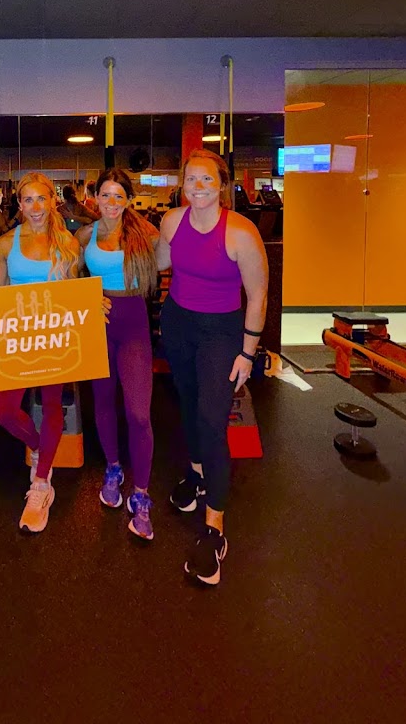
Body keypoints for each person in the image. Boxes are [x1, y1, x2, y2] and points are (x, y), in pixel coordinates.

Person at [157, 149, 268, 585]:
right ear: (182, 184)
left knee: (211, 418)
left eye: (207, 179)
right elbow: (156, 264)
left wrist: (248, 352)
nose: (198, 187)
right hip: (178, 323)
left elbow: (257, 295)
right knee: (187, 404)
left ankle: (215, 527)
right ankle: (198, 473)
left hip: (221, 332)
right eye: (191, 179)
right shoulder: (171, 222)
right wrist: (105, 234)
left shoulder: (240, 232)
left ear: (222, 185)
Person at [0, 172, 80, 533]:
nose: (35, 207)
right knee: (6, 413)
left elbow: (74, 292)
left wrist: (95, 304)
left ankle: (42, 483)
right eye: (28, 200)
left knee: (52, 406)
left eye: (41, 198)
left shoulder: (67, 243)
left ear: (53, 200)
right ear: (19, 204)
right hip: (18, 337)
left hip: (54, 335)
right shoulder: (5, 244)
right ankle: (40, 448)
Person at [76, 169, 159, 540]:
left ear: (128, 199)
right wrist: (87, 294)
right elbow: (68, 275)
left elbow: (171, 260)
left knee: (139, 413)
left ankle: (141, 493)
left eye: (118, 196)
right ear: (95, 198)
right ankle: (112, 466)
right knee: (103, 400)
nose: (111, 203)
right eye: (105, 195)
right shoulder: (85, 235)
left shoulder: (146, 233)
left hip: (133, 323)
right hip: (99, 323)